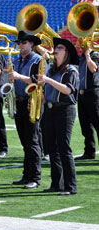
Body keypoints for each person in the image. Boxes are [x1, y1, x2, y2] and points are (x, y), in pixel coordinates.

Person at [39, 38, 79, 195]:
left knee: (64, 148)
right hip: (50, 110)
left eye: (60, 48)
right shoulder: (51, 70)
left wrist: (47, 80)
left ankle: (71, 186)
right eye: (56, 47)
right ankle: (56, 183)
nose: (56, 49)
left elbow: (68, 90)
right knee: (52, 149)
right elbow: (48, 90)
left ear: (66, 52)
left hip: (65, 111)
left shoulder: (71, 71)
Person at [7, 30, 44, 189]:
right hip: (20, 102)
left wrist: (18, 76)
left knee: (32, 142)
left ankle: (35, 177)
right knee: (25, 142)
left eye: (23, 43)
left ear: (32, 44)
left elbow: (38, 81)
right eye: (19, 43)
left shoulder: (38, 60)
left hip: (32, 103)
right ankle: (26, 174)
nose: (20, 45)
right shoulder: (17, 60)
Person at [75, 37, 99, 160]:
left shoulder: (95, 55)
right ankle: (89, 151)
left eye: (82, 40)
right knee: (85, 125)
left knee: (97, 122)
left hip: (93, 93)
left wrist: (88, 55)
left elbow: (93, 69)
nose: (80, 42)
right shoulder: (81, 57)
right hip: (82, 93)